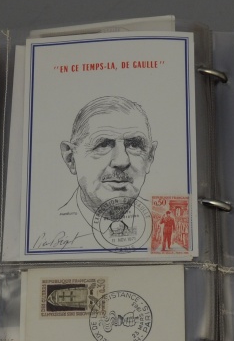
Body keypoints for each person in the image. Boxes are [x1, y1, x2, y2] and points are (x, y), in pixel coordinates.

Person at [56, 96, 158, 245]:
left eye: (134, 145)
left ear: (150, 157)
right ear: (71, 159)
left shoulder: (166, 224)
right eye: (103, 145)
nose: (122, 161)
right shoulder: (47, 228)